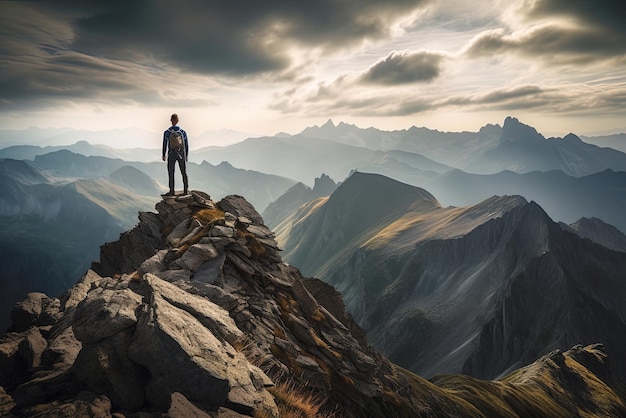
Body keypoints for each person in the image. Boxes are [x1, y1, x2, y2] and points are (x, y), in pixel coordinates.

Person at [162, 113, 189, 196]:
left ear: (171, 120)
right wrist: (186, 155)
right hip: (181, 154)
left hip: (171, 154)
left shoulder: (167, 132)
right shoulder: (182, 132)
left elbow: (164, 143)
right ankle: (185, 191)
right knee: (183, 172)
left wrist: (164, 154)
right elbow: (186, 144)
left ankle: (171, 191)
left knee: (171, 172)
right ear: (177, 120)